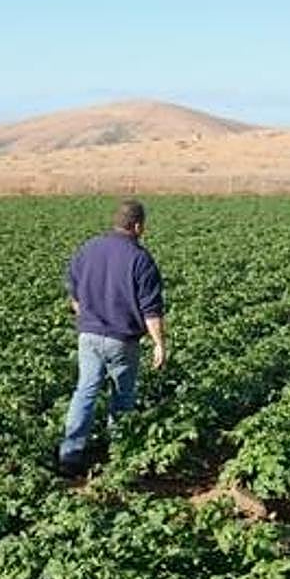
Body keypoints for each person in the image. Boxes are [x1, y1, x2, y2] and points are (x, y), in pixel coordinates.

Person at [57, 199, 166, 477]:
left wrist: (86, 317)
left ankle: (70, 454)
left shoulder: (89, 249)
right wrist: (159, 343)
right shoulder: (141, 259)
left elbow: (74, 292)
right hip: (122, 340)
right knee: (123, 397)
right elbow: (151, 310)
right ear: (138, 226)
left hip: (89, 335)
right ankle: (119, 453)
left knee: (86, 390)